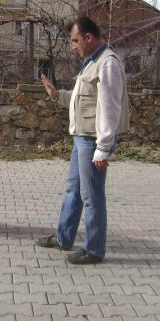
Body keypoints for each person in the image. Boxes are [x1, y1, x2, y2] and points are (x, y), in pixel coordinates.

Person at [36, 16, 129, 264]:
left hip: (92, 141)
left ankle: (94, 250)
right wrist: (57, 95)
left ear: (89, 37)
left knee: (91, 196)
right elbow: (83, 101)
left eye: (75, 40)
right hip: (82, 139)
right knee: (73, 191)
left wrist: (103, 148)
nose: (73, 46)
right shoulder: (91, 63)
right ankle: (64, 238)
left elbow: (110, 108)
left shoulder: (107, 63)